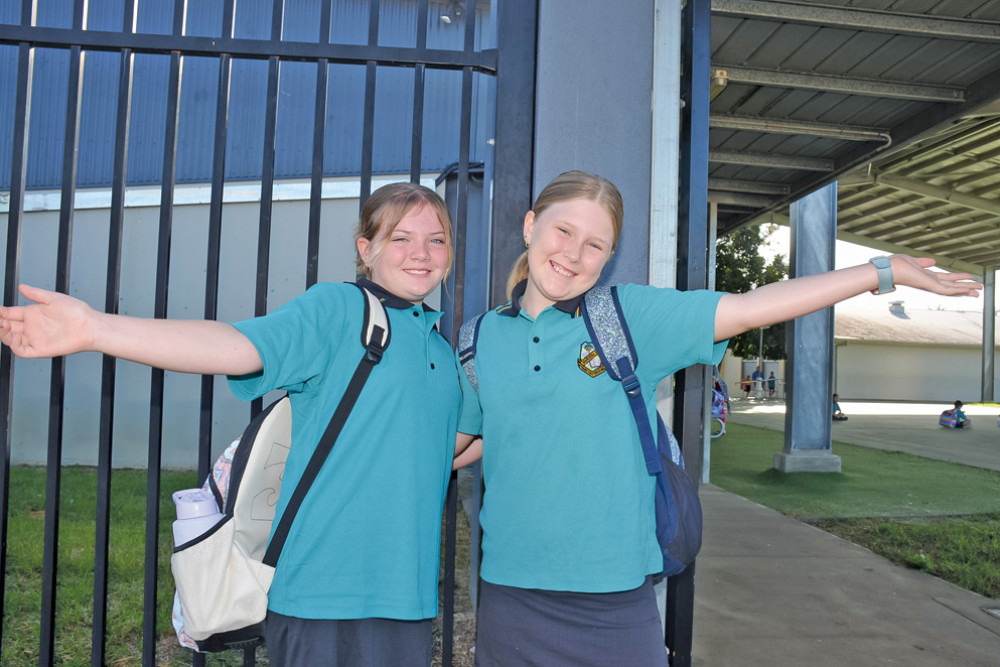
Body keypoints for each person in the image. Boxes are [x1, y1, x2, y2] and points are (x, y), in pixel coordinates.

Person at [451, 170, 981, 666]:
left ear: (609, 258)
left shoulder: (627, 317)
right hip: (509, 597)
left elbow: (754, 306)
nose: (572, 254)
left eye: (595, 244)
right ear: (530, 226)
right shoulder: (479, 339)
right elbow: (475, 438)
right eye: (563, 230)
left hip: (613, 603)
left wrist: (880, 272)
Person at [0, 182, 464, 666]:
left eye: (436, 239)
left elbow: (450, 446)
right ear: (366, 250)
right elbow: (235, 345)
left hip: (408, 599)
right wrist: (96, 329)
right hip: (322, 595)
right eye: (401, 238)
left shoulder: (437, 345)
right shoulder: (338, 310)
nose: (422, 253)